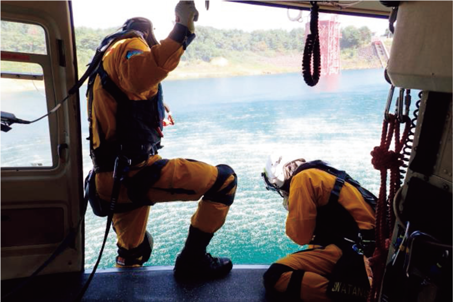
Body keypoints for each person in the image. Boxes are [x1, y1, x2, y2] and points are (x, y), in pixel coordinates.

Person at [86, 2, 236, 280]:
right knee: (224, 181)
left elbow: (122, 106)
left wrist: (154, 112)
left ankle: (126, 284)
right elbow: (143, 73)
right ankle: (192, 261)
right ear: (146, 33)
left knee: (134, 251)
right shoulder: (129, 45)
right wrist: (183, 28)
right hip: (135, 174)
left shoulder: (103, 64)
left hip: (108, 178)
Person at [261, 153, 376, 301]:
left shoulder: (302, 180)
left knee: (275, 276)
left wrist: (292, 204)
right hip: (360, 247)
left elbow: (300, 236)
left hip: (356, 254)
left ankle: (348, 296)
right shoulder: (320, 174)